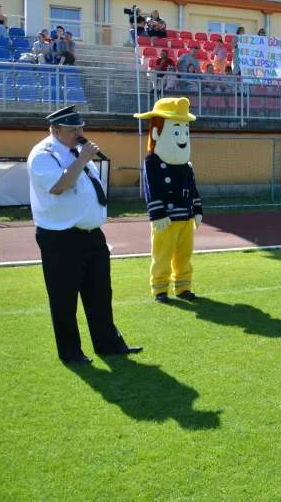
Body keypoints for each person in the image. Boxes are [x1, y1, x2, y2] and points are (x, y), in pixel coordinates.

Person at [28, 106, 142, 364]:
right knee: (64, 298)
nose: (79, 133)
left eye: (81, 128)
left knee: (100, 293)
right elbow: (58, 186)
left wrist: (81, 157)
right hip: (60, 237)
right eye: (72, 129)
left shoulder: (77, 150)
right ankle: (71, 353)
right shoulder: (42, 154)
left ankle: (109, 344)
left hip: (92, 235)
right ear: (55, 129)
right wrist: (81, 160)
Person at [133, 97, 204, 303]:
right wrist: (157, 213)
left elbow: (192, 188)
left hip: (185, 217)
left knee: (184, 255)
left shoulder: (186, 164)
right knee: (162, 255)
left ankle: (183, 287)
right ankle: (160, 289)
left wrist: (197, 210)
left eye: (184, 131)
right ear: (156, 132)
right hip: (166, 218)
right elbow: (151, 189)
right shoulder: (153, 162)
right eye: (176, 131)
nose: (182, 136)